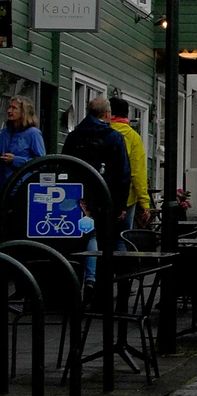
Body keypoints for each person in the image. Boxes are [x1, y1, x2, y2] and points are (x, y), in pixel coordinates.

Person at [63, 97, 131, 295]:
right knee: (104, 244)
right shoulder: (114, 138)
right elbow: (123, 174)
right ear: (107, 114)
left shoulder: (74, 136)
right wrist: (120, 205)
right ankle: (100, 292)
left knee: (76, 241)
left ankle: (73, 289)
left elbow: (64, 166)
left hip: (77, 199)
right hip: (104, 199)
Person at [107, 98, 151, 231]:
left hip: (102, 192)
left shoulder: (103, 132)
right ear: (127, 114)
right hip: (127, 197)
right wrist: (144, 202)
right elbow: (138, 173)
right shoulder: (133, 137)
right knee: (123, 235)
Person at [0, 95, 46, 190]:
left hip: (22, 187)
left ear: (24, 112)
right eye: (9, 107)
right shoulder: (4, 133)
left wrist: (15, 160)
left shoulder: (33, 133)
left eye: (14, 108)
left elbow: (41, 162)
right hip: (3, 186)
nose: (9, 111)